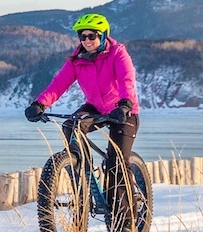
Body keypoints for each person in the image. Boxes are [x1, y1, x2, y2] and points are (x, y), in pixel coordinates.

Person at [24, 12, 139, 174]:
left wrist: (125, 105)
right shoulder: (77, 60)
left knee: (117, 164)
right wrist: (39, 104)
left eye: (91, 36)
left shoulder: (117, 53)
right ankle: (85, 177)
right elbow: (58, 85)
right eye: (82, 37)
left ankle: (123, 199)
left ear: (103, 35)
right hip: (96, 108)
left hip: (123, 110)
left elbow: (126, 80)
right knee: (71, 126)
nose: (86, 41)